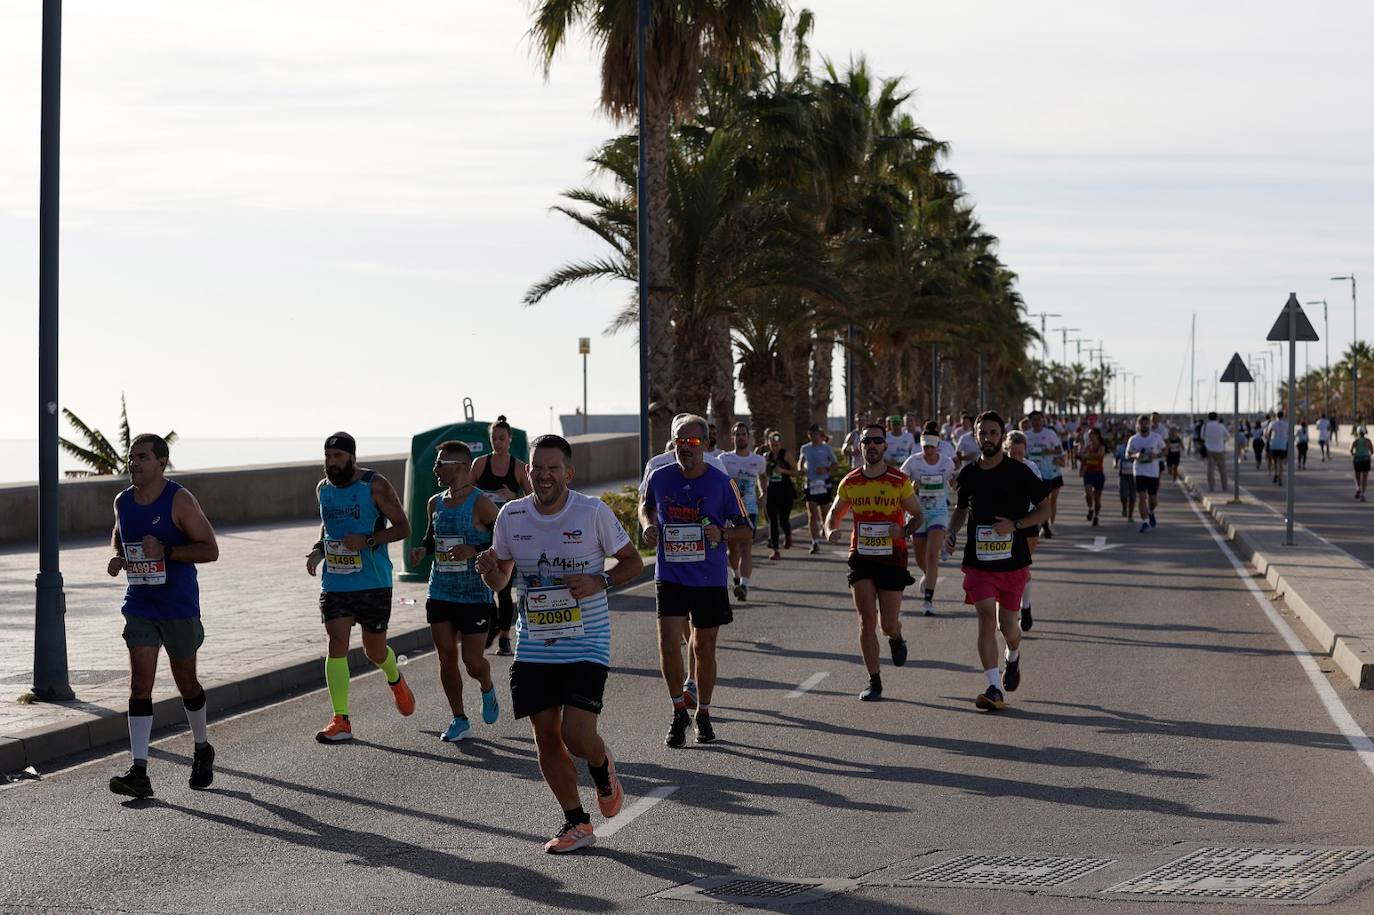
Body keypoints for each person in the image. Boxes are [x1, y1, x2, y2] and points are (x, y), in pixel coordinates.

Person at [476, 433, 644, 853]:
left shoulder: (592, 513)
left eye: (554, 468)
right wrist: (489, 571)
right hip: (534, 642)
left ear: (568, 472)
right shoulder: (511, 517)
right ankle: (576, 822)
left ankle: (602, 767)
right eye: (538, 468)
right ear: (526, 472)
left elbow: (633, 562)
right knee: (546, 736)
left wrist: (598, 580)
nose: (545, 475)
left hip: (587, 640)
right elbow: (501, 578)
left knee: (575, 735)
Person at [106, 434, 220, 799]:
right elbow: (118, 533)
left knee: (186, 682)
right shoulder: (123, 500)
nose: (133, 464)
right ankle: (139, 771)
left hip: (178, 606)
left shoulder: (180, 500)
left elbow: (210, 549)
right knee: (140, 684)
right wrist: (118, 556)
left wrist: (168, 550)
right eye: (130, 458)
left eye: (141, 457)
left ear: (161, 462)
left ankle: (202, 748)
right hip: (140, 603)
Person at [640, 414, 753, 746]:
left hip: (708, 577)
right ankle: (678, 712)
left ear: (705, 444)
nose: (684, 448)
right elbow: (645, 507)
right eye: (679, 441)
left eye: (691, 442)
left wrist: (722, 532)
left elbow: (747, 529)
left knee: (703, 647)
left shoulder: (721, 482)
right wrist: (648, 524)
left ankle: (703, 712)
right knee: (667, 644)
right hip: (670, 573)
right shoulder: (659, 477)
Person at [305, 432, 415, 743]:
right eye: (328, 457)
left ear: (351, 457)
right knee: (336, 642)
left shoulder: (375, 486)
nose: (332, 463)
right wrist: (318, 549)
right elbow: (328, 525)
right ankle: (341, 719)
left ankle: (395, 680)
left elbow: (404, 527)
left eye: (338, 457)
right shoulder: (323, 489)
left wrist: (367, 541)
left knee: (374, 650)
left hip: (373, 580)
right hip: (336, 581)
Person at [946, 412, 1051, 711]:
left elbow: (1044, 508)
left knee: (1009, 626)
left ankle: (1013, 656)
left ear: (1001, 435)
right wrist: (952, 532)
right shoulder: (968, 474)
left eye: (993, 432)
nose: (988, 437)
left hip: (1013, 561)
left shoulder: (1018, 472)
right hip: (979, 562)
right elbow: (961, 508)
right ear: (976, 436)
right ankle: (993, 686)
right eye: (983, 433)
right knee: (984, 617)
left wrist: (1016, 525)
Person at [409, 441, 500, 742]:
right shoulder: (435, 502)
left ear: (459, 466)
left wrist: (473, 549)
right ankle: (459, 718)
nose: (435, 469)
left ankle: (486, 685)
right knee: (446, 657)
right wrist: (423, 549)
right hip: (440, 591)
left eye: (440, 463)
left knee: (472, 662)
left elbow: (504, 540)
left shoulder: (481, 503)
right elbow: (431, 536)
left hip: (474, 594)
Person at [825, 423, 922, 700]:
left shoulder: (898, 480)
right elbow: (833, 514)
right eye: (867, 441)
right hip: (861, 556)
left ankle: (896, 635)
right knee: (867, 620)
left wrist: (903, 531)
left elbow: (918, 515)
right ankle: (874, 680)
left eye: (877, 441)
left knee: (887, 624)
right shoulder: (851, 481)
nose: (872, 446)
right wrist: (830, 530)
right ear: (860, 447)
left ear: (885, 446)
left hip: (892, 556)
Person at [472, 416, 532, 657]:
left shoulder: (517, 467)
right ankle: (493, 624)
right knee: (484, 583)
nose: (497, 442)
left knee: (505, 588)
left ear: (509, 440)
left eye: (501, 438)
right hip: (481, 532)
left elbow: (532, 500)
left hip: (508, 532)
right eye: (493, 438)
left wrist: (512, 496)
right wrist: (480, 496)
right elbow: (464, 491)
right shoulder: (479, 463)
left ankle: (505, 637)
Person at [900, 429, 956, 615]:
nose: (928, 451)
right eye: (925, 447)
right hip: (918, 513)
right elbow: (901, 483)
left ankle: (928, 601)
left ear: (937, 446)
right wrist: (912, 486)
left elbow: (953, 482)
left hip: (938, 513)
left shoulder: (946, 463)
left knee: (933, 555)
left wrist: (956, 482)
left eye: (931, 447)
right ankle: (927, 574)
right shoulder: (913, 461)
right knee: (920, 559)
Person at [718, 421, 767, 601]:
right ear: (733, 438)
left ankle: (744, 586)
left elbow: (762, 477)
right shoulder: (724, 459)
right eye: (737, 434)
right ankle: (737, 577)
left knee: (746, 547)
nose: (740, 437)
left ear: (749, 436)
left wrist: (763, 494)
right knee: (732, 549)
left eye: (743, 434)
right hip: (729, 511)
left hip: (749, 510)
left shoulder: (758, 460)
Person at [1003, 430, 1043, 630]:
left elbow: (1038, 498)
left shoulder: (1031, 468)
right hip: (1002, 524)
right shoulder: (998, 468)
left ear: (1025, 451)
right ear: (1006, 450)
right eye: (1012, 453)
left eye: (1020, 453)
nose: (1016, 457)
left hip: (1026, 522)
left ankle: (1025, 607)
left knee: (1022, 568)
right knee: (1002, 569)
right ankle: (1004, 613)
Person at [799, 423, 839, 554]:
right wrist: (800, 467)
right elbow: (801, 462)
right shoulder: (804, 448)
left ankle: (824, 526)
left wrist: (825, 469)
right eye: (811, 434)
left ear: (820, 435)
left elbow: (835, 464)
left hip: (824, 484)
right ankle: (815, 543)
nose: (813, 436)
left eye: (816, 434)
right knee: (812, 514)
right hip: (810, 484)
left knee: (825, 512)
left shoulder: (826, 448)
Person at [1025, 411, 1065, 537]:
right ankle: (1042, 524)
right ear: (1030, 421)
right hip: (1031, 473)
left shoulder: (1050, 434)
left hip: (1047, 473)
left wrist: (1049, 451)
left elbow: (1060, 449)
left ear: (1043, 420)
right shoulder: (1026, 435)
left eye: (1039, 419)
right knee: (1033, 502)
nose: (1036, 422)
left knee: (1044, 501)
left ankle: (1046, 525)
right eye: (1034, 420)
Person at [763, 431, 801, 560]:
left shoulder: (785, 454)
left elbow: (796, 472)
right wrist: (762, 490)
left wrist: (783, 470)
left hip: (785, 491)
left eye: (777, 444)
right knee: (772, 521)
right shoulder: (766, 456)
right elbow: (762, 475)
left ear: (780, 443)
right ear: (768, 443)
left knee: (783, 520)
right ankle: (775, 550)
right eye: (772, 443)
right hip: (772, 490)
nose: (775, 446)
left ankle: (788, 533)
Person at [1126, 416, 1166, 533]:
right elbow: (1127, 455)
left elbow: (1165, 450)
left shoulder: (1156, 437)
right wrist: (1136, 456)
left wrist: (1156, 455)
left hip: (1153, 472)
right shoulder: (1133, 439)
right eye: (1142, 424)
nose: (1144, 426)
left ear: (1149, 424)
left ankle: (1151, 512)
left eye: (1146, 424)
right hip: (1139, 471)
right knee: (1142, 497)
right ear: (1138, 425)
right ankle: (1145, 522)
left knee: (1153, 500)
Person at [1079, 427, 1107, 526]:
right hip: (1089, 473)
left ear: (1097, 435)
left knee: (1097, 498)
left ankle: (1096, 516)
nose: (1090, 436)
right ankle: (1090, 509)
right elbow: (1083, 458)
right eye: (1089, 434)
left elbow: (1100, 454)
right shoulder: (1088, 446)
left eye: (1092, 434)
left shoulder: (1101, 446)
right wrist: (1081, 468)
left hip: (1098, 473)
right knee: (1089, 494)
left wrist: (1088, 455)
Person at [1203, 411, 1229, 492]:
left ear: (1208, 417)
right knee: (1222, 470)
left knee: (1210, 470)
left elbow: (1202, 436)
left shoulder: (1205, 426)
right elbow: (1228, 436)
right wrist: (1222, 440)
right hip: (1220, 450)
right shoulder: (1221, 426)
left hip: (1209, 450)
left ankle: (1211, 488)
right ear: (1217, 417)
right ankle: (1225, 488)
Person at [1115, 432, 1137, 520]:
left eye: (1130, 437)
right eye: (1126, 437)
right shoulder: (1120, 448)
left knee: (1133, 496)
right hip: (1123, 474)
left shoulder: (1136, 448)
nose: (1128, 439)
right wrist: (1114, 463)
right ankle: (1124, 507)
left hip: (1134, 475)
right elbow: (1116, 457)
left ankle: (1130, 515)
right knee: (1123, 495)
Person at [1267, 409, 1290, 485]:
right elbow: (1289, 434)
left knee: (1274, 461)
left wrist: (1270, 437)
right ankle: (1280, 478)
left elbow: (1268, 433)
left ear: (1276, 416)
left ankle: (1275, 473)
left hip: (1274, 444)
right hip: (1283, 445)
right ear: (1283, 416)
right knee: (1281, 462)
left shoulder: (1272, 423)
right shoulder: (1286, 424)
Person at [1352, 426, 1372, 501]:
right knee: (1365, 478)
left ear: (1357, 433)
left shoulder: (1355, 441)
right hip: (1366, 460)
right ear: (1365, 433)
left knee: (1357, 476)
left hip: (1357, 460)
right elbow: (1372, 451)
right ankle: (1362, 495)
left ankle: (1358, 488)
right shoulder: (1368, 441)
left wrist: (1355, 454)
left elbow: (1350, 450)